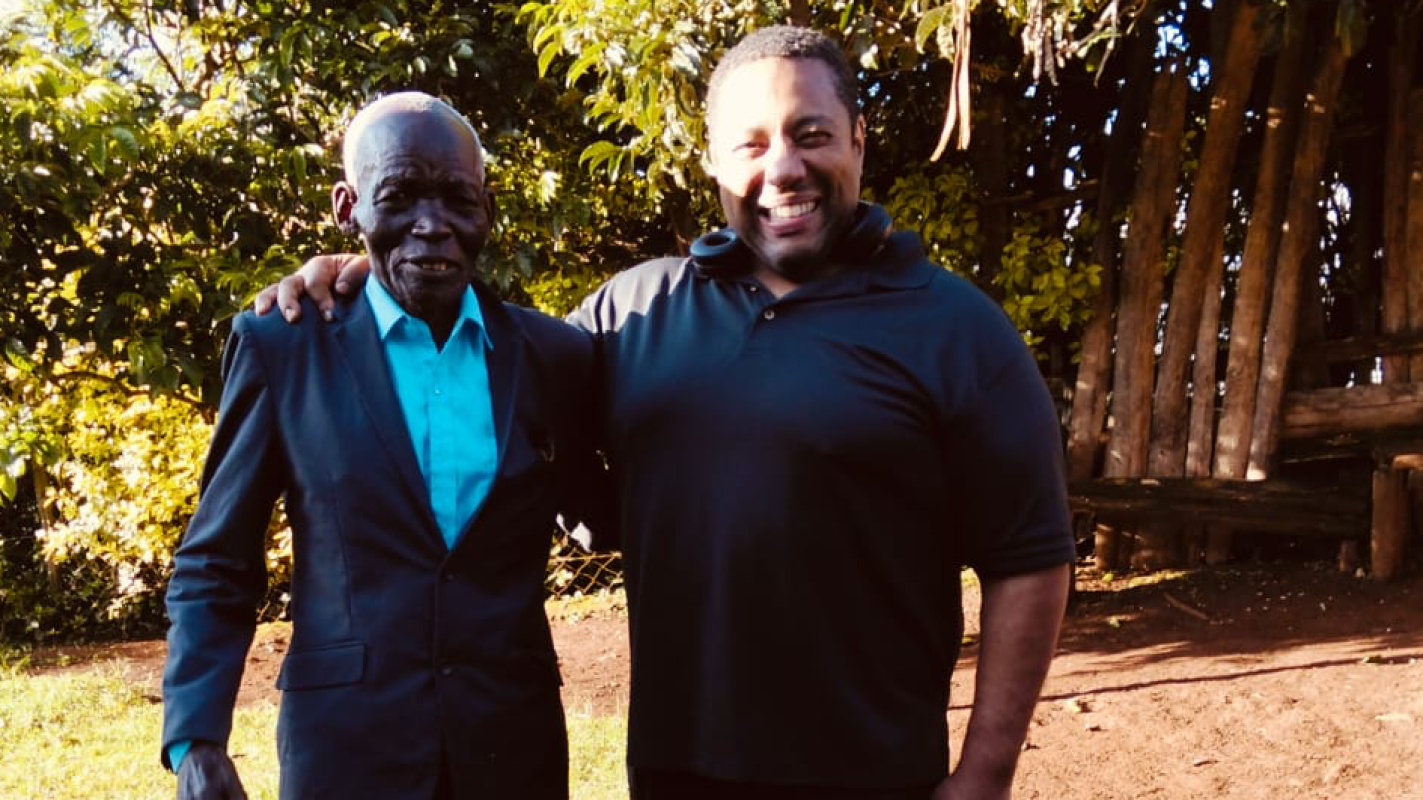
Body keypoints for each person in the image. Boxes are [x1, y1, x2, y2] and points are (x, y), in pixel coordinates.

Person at [261, 26, 1073, 800]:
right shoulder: (631, 313)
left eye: (811, 135)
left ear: (858, 140)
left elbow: (1030, 558)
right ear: (713, 160)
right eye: (750, 144)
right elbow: (480, 367)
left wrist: (985, 773)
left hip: (874, 772)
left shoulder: (956, 330)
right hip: (674, 770)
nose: (782, 167)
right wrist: (366, 275)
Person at [163, 92, 607, 799]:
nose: (432, 225)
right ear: (349, 207)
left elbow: (603, 511)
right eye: (399, 197)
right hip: (347, 753)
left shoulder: (553, 355)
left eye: (457, 198)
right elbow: (218, 558)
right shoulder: (284, 346)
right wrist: (196, 738)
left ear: (486, 209)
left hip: (512, 752)